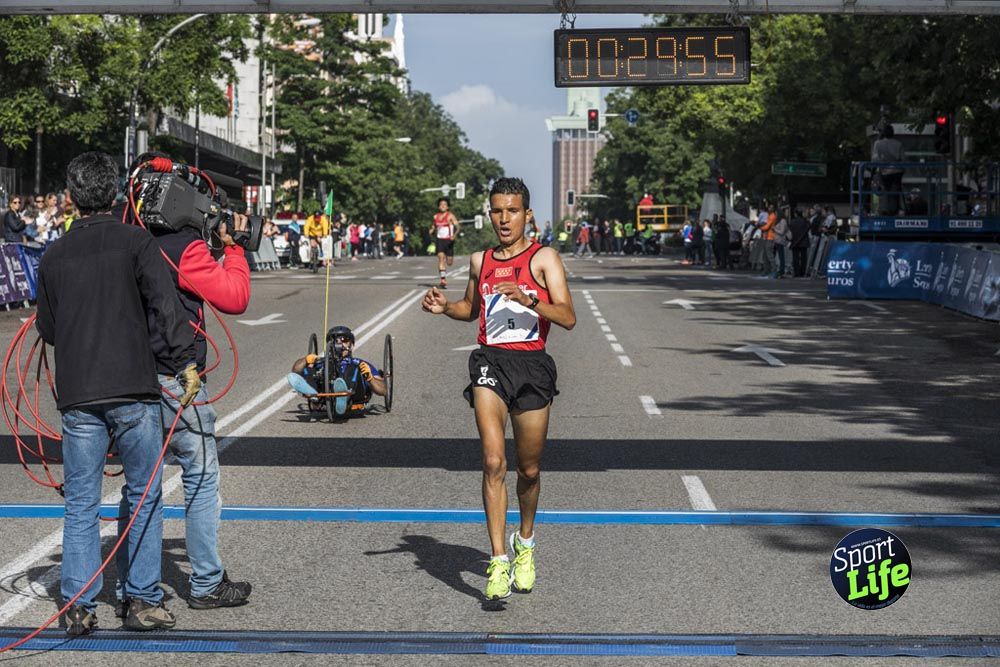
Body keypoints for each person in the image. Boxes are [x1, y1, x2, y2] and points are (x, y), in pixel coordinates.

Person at [34, 151, 200, 635]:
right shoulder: (137, 242)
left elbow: (48, 327)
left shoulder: (54, 254)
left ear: (71, 198)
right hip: (133, 388)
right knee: (143, 496)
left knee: (81, 501)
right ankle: (142, 600)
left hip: (80, 394)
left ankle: (77, 605)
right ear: (114, 195)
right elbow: (167, 310)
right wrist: (186, 364)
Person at [421, 177, 576, 601]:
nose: (503, 219)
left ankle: (524, 543)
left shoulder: (544, 258)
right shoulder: (480, 260)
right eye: (497, 210)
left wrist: (529, 300)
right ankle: (498, 560)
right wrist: (444, 308)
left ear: (527, 215)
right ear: (488, 213)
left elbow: (567, 316)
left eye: (512, 211)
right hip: (490, 361)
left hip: (532, 364)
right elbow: (470, 309)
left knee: (529, 470)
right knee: (493, 462)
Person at [116, 175, 253, 615]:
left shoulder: (132, 239)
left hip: (131, 376)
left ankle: (133, 589)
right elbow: (234, 297)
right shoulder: (183, 248)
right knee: (200, 476)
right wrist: (234, 248)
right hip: (178, 378)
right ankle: (207, 582)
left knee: (140, 486)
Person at [286, 325, 387, 416]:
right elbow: (295, 370)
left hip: (355, 397)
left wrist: (370, 378)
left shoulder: (360, 363)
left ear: (351, 344)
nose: (340, 344)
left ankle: (344, 397)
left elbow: (383, 390)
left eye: (344, 340)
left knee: (355, 366)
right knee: (309, 368)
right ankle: (312, 392)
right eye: (335, 341)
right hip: (324, 395)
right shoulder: (321, 362)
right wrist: (306, 360)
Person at [872, 125, 904, 215]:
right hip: (897, 172)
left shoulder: (878, 144)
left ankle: (884, 209)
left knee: (884, 190)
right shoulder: (899, 144)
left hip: (884, 172)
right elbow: (903, 159)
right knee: (895, 190)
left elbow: (875, 159)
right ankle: (895, 209)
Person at [431, 197, 458, 288]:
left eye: (444, 205)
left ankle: (448, 259)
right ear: (439, 206)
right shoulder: (435, 216)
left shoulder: (450, 216)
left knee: (449, 262)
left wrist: (454, 235)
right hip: (440, 240)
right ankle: (443, 279)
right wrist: (431, 230)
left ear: (447, 207)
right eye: (441, 205)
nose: (442, 206)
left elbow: (458, 227)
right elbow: (433, 226)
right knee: (440, 258)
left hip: (448, 240)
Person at [789, 208, 810, 277]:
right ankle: (802, 272)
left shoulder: (792, 222)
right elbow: (808, 228)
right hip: (804, 242)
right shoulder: (806, 221)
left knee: (795, 258)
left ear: (795, 214)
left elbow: (790, 232)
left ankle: (796, 273)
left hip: (795, 242)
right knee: (804, 258)